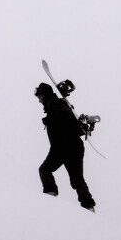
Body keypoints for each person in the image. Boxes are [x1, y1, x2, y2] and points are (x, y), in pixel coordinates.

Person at [34, 82, 96, 211]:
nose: (39, 100)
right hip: (74, 147)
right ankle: (88, 205)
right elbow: (69, 120)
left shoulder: (54, 104)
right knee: (77, 179)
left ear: (45, 95)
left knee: (44, 170)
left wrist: (49, 119)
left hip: (63, 147)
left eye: (39, 97)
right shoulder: (59, 104)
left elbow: (63, 117)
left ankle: (50, 195)